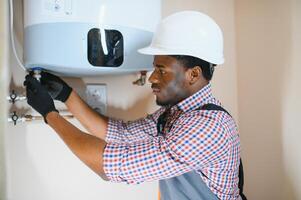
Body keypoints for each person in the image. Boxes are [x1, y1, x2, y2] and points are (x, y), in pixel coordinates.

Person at [24, 11, 242, 200]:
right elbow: (119, 134)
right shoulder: (175, 113)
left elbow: (110, 165)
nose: (152, 79)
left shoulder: (208, 128)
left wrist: (50, 115)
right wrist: (66, 94)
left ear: (193, 74)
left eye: (161, 70)